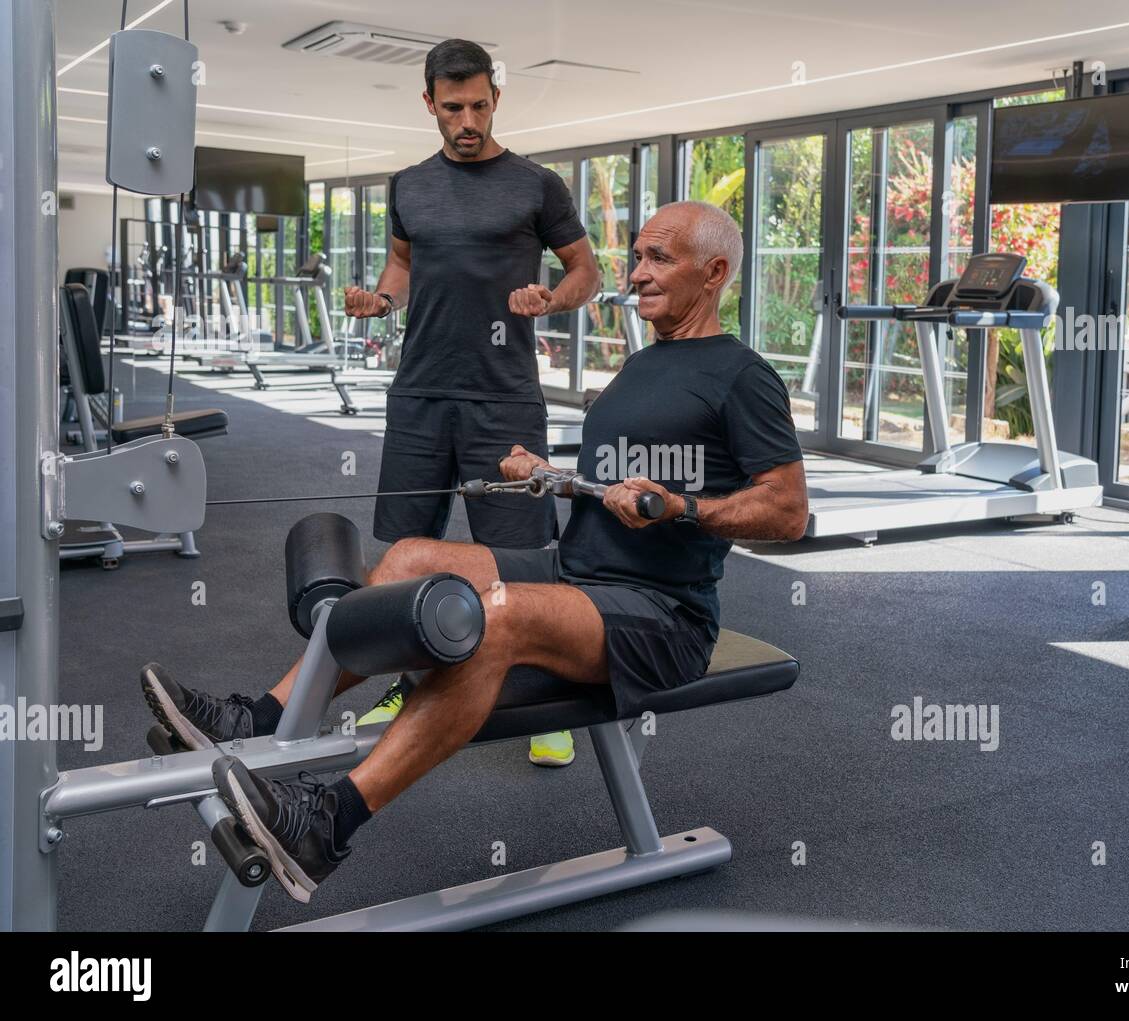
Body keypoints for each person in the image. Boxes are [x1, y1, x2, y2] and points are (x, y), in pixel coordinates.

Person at [140, 201, 808, 902]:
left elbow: (788, 510)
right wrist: (548, 474)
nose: (637, 273)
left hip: (661, 613)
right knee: (408, 562)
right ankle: (262, 717)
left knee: (491, 616)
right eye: (637, 256)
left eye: (658, 259)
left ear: (716, 272)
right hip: (575, 571)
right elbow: (615, 485)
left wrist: (682, 507)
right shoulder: (643, 366)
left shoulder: (742, 375)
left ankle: (324, 826)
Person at [346, 39, 599, 767]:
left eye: (480, 105)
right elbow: (402, 263)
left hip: (503, 396)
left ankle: (541, 696)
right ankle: (408, 681)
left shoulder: (536, 185)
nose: (468, 119)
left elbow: (585, 266)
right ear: (429, 103)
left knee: (521, 553)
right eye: (453, 107)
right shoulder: (407, 185)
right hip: (421, 390)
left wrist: (551, 298)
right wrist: (380, 300)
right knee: (403, 547)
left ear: (496, 99)